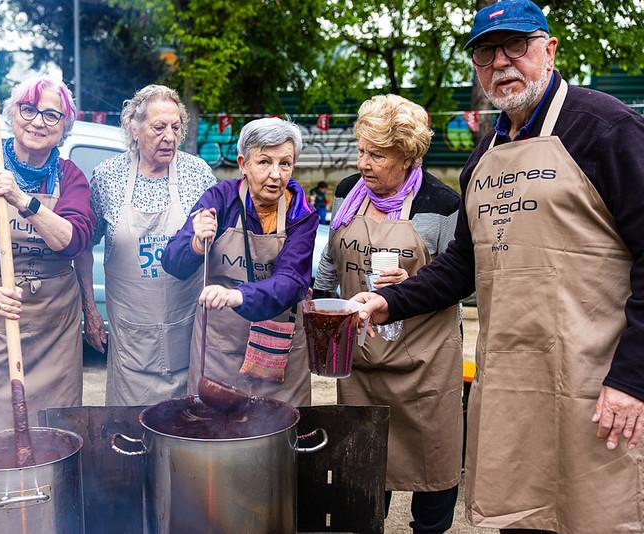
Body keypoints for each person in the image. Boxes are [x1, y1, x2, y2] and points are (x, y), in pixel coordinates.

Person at [354, 1, 644, 532]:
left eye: (517, 45)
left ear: (549, 50)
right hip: (512, 380)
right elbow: (464, 264)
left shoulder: (606, 128)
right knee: (523, 513)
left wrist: (632, 378)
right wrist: (389, 300)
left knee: (596, 513)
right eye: (486, 52)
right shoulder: (483, 154)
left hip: (598, 381)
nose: (502, 62)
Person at [0, 75, 95, 532]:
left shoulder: (71, 179)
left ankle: (49, 517)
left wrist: (23, 201)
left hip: (51, 325)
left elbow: (73, 239)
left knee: (51, 427)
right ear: (12, 115)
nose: (38, 121)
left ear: (65, 127)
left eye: (52, 114)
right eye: (28, 109)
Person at [326, 94, 462, 534]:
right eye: (361, 150)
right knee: (364, 468)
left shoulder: (442, 205)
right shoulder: (348, 192)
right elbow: (331, 259)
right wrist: (318, 298)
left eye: (377, 154)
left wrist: (413, 284)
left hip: (423, 363)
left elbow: (465, 278)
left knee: (433, 463)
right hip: (362, 362)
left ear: (408, 156)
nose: (364, 163)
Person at [76, 84, 217, 406]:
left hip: (188, 329)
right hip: (131, 339)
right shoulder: (108, 176)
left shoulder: (198, 174)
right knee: (130, 430)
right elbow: (84, 246)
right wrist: (90, 311)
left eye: (175, 127)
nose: (169, 136)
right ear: (134, 129)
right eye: (158, 127)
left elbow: (219, 246)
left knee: (186, 428)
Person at [162, 117, 318, 406]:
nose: (275, 174)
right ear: (243, 163)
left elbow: (291, 282)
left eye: (285, 163)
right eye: (264, 162)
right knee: (214, 439)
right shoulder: (220, 199)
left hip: (281, 355)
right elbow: (173, 262)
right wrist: (196, 243)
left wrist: (236, 295)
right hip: (220, 355)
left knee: (279, 441)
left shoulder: (301, 213)